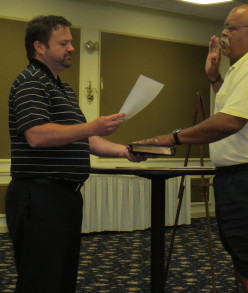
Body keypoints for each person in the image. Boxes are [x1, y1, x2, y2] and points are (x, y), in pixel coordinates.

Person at [134, 4, 248, 293]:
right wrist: (214, 77)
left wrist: (171, 137)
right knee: (247, 265)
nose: (223, 34)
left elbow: (230, 122)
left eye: (230, 28)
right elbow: (235, 108)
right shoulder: (246, 67)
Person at [5, 15, 147, 293]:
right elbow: (36, 135)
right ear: (40, 47)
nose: (72, 47)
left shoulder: (63, 88)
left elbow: (86, 139)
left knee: (61, 277)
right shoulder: (31, 81)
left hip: (63, 197)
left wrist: (125, 152)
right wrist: (91, 126)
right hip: (39, 196)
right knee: (41, 280)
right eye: (64, 42)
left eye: (71, 41)